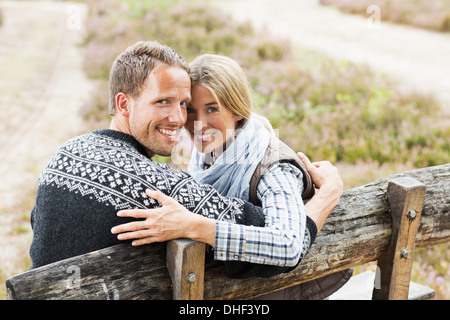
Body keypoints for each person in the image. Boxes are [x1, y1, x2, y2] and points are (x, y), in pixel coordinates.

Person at [29, 41, 335, 273]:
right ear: (124, 104)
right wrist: (324, 198)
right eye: (163, 102)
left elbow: (282, 242)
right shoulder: (161, 188)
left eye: (183, 104)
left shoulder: (64, 154)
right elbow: (268, 246)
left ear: (238, 109)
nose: (179, 119)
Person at [111, 54, 352, 299]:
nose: (198, 123)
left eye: (212, 109)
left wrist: (193, 226)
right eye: (190, 109)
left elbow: (289, 245)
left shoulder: (272, 168)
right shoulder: (204, 155)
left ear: (237, 111)